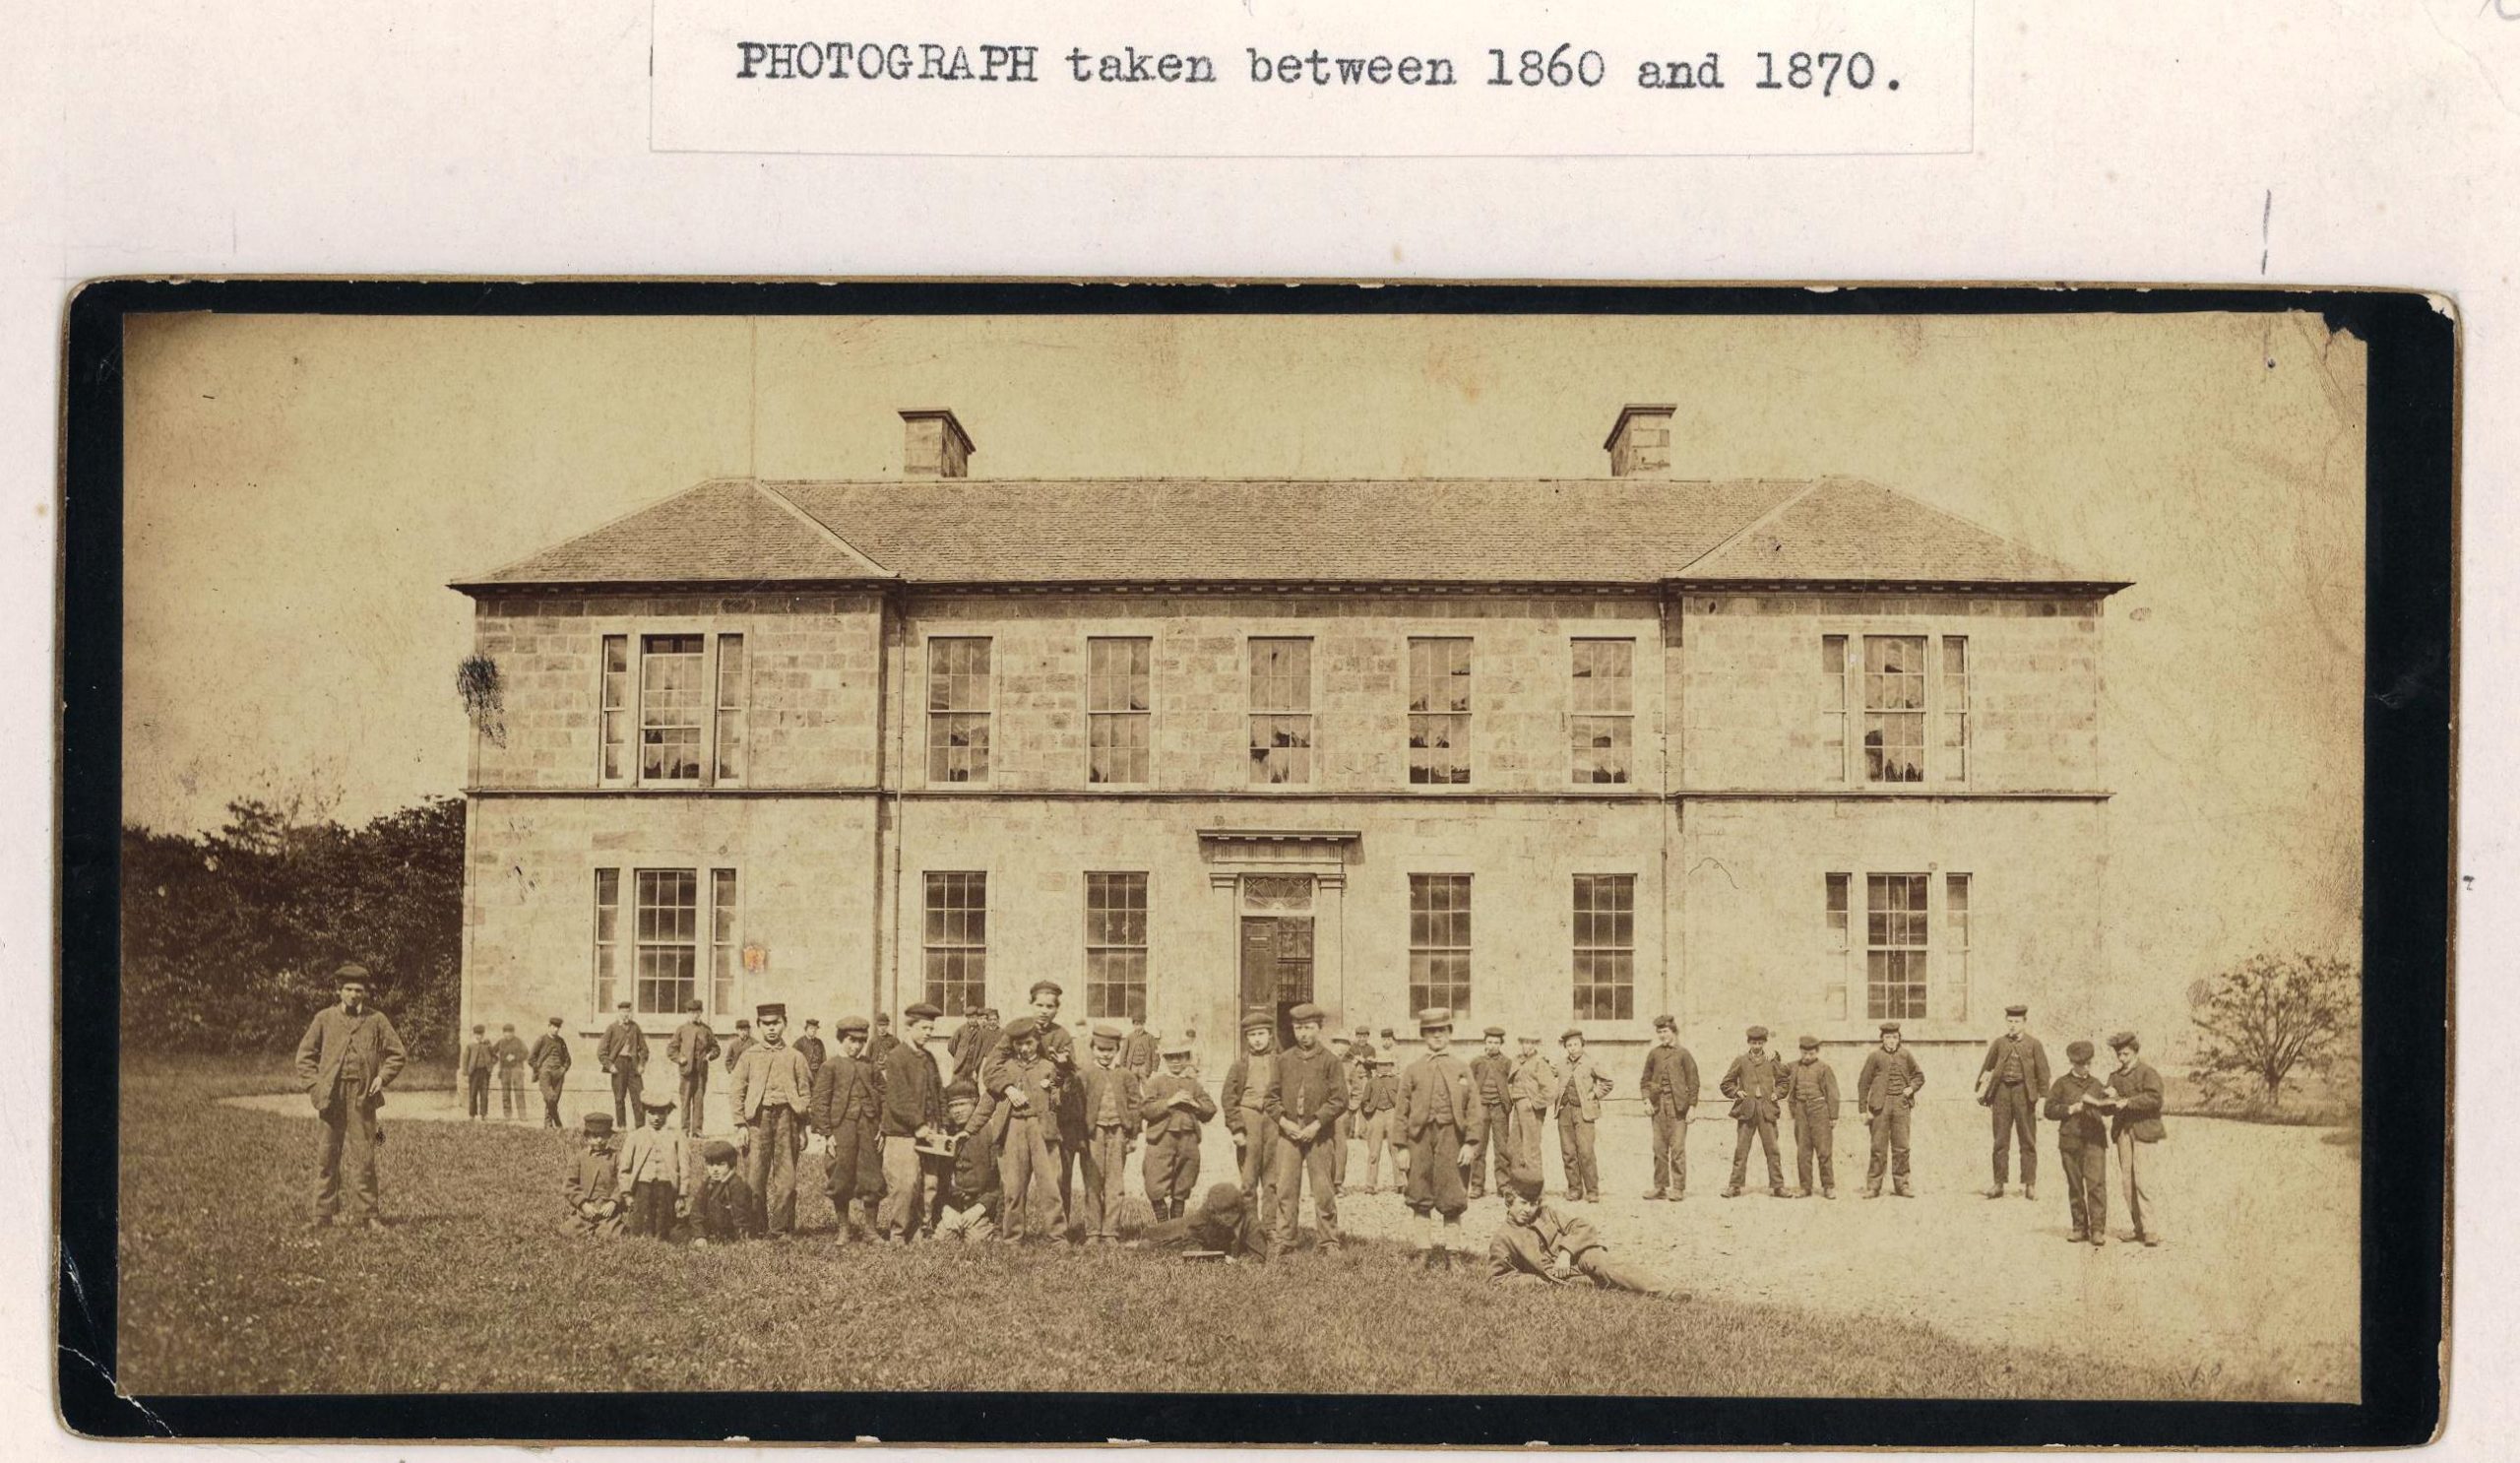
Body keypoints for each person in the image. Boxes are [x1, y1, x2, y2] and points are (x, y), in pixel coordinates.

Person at [291, 964, 408, 1230]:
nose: (354, 994)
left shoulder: (376, 1020)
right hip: (331, 1097)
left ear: (365, 992)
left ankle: (369, 1216)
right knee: (327, 1155)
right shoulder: (324, 1018)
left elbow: (397, 1054)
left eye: (359, 990)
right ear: (339, 991)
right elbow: (305, 1056)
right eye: (349, 989)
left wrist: (382, 1077)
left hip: (362, 1096)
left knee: (365, 1156)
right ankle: (322, 1215)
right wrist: (314, 1086)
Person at [1487, 1175, 1687, 1299]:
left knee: (1605, 1265)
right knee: (1602, 1285)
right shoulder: (1504, 1237)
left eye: (1533, 1204)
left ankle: (1667, 1292)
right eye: (1522, 1203)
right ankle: (1638, 1289)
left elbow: (1583, 1226)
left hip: (1578, 1256)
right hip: (1556, 1277)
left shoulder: (1546, 1212)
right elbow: (1498, 1279)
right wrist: (1539, 1282)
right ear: (1509, 1200)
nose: (1529, 1210)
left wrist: (1566, 1253)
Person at [981, 981, 1082, 1214]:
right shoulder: (1016, 1031)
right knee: (1014, 1177)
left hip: (1053, 1116)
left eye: (1049, 1006)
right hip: (1020, 1113)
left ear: (1057, 1009)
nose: (1043, 1011)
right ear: (1031, 1005)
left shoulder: (1061, 1036)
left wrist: (1065, 1068)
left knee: (1058, 1177)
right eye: (1039, 1005)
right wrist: (1007, 1088)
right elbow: (991, 1068)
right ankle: (1005, 1229)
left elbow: (1071, 1080)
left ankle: (1059, 1230)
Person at [1397, 1005, 1484, 1268]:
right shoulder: (1413, 1069)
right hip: (1419, 1139)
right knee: (1419, 1194)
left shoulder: (1461, 1068)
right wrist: (1401, 1147)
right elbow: (1401, 1110)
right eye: (1432, 1031)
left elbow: (1473, 1108)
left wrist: (1470, 1143)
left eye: (1442, 1031)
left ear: (1450, 1033)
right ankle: (1423, 1252)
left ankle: (1453, 1254)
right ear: (1424, 1035)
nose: (1437, 1036)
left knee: (1452, 1195)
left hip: (1452, 1138)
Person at [1265, 1001, 1349, 1254]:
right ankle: (1285, 1239)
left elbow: (1340, 1099)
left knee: (1323, 1190)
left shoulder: (1330, 1061)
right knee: (1286, 1188)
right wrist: (1284, 1122)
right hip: (1288, 1133)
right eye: (1299, 1028)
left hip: (1319, 1134)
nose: (1304, 1034)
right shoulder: (1283, 1060)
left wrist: (1316, 1124)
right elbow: (1270, 1098)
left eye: (1309, 1028)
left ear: (1319, 1028)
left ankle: (1329, 1241)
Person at [729, 1001, 813, 1237]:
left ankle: (781, 1228)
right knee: (755, 1177)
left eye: (776, 1023)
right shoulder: (748, 1056)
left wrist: (802, 1128)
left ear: (784, 1024)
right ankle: (756, 1228)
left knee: (786, 1180)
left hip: (788, 1120)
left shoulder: (795, 1057)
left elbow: (806, 1093)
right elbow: (737, 1091)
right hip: (757, 1122)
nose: (771, 1029)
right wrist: (740, 1125)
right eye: (766, 1024)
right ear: (758, 1026)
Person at [984, 1016, 1065, 1242]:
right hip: (1014, 1127)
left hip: (1042, 1128)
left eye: (1029, 1042)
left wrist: (1057, 1086)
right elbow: (989, 1075)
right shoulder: (1006, 1068)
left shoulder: (1049, 1067)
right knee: (1013, 1185)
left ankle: (1057, 1236)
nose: (1025, 1048)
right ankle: (1012, 1236)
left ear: (1037, 1042)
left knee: (1050, 1184)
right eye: (1019, 1044)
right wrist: (1008, 1089)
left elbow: (1061, 1098)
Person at [809, 1013, 884, 1245]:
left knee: (871, 1174)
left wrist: (882, 1126)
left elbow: (884, 1095)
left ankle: (871, 1230)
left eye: (861, 1041)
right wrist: (827, 1134)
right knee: (840, 1174)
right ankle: (844, 1229)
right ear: (841, 1039)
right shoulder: (830, 1066)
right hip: (842, 1128)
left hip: (868, 1126)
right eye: (852, 1040)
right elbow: (820, 1101)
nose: (857, 1046)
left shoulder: (869, 1066)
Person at [876, 1001, 948, 1244]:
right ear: (911, 1027)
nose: (929, 1033)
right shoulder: (896, 1057)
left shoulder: (928, 1058)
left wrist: (942, 1123)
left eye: (931, 1028)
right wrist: (918, 1124)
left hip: (930, 1133)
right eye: (924, 1028)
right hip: (903, 1134)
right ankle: (898, 1234)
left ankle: (919, 1231)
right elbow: (898, 1098)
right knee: (905, 1186)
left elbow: (939, 1093)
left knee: (929, 1184)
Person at [1074, 1023, 1145, 1245]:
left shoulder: (1125, 1075)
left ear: (1117, 1050)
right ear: (1093, 1048)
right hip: (1093, 1135)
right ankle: (1093, 1231)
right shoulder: (1084, 1074)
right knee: (1093, 1182)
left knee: (1114, 1184)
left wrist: (1133, 1135)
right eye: (1100, 1050)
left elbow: (1135, 1105)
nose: (1105, 1055)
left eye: (1110, 1050)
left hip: (1118, 1134)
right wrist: (1080, 1137)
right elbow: (1076, 1106)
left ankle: (1111, 1232)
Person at [1976, 1004, 2053, 1200]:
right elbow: (1987, 1067)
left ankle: (2030, 1184)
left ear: (2024, 1022)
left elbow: (2043, 1074)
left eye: (2016, 1022)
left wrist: (2042, 1099)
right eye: (2009, 1021)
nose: (2012, 1025)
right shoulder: (1999, 1043)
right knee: (2000, 1139)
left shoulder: (2034, 1044)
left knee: (2027, 1139)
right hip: (2001, 1093)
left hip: (2024, 1095)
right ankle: (1999, 1183)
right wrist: (1981, 1088)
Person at [2100, 1031, 2168, 1246]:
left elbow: (2155, 1099)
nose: (2122, 1058)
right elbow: (2107, 1111)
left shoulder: (2148, 1073)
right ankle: (2138, 1227)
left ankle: (2150, 1230)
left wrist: (2128, 1102)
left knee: (2143, 1180)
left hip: (2144, 1131)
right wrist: (2107, 1099)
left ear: (2135, 1052)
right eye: (2119, 1055)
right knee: (2127, 1182)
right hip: (2123, 1133)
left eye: (2125, 1054)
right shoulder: (2114, 1077)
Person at [2044, 1039, 2111, 1246]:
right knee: (2075, 1185)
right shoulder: (2061, 1084)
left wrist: (2111, 1099)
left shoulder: (2097, 1084)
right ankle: (2079, 1227)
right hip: (2070, 1141)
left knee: (2096, 1184)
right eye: (2082, 1064)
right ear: (2072, 1063)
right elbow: (2048, 1110)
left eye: (2089, 1063)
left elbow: (2107, 1108)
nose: (2086, 1068)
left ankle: (2097, 1230)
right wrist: (2069, 1110)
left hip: (2095, 1141)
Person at [1139, 1038, 1215, 1220]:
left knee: (1184, 1180)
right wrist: (1170, 1102)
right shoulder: (1156, 1082)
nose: (1175, 1062)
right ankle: (1163, 1225)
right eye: (1171, 1057)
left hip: (1188, 1139)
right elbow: (1146, 1109)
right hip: (1161, 1138)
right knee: (1154, 1179)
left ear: (1187, 1059)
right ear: (1164, 1059)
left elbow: (1210, 1109)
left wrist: (1195, 1104)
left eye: (1180, 1057)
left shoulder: (1193, 1084)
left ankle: (1177, 1227)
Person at [1220, 1006, 1284, 1218]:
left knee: (1273, 1178)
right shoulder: (1239, 1065)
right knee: (1248, 1179)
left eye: (1261, 1034)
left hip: (1274, 1121)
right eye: (1252, 1035)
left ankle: (1270, 1226)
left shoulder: (1280, 1062)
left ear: (1270, 1035)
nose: (1257, 1039)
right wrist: (1236, 1129)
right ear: (1247, 1038)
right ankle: (1250, 1226)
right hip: (1249, 1120)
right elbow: (1228, 1098)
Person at [1857, 1022, 1925, 1198]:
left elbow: (1919, 1076)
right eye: (1887, 1037)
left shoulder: (1905, 1055)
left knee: (1902, 1147)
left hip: (1901, 1105)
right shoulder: (1875, 1057)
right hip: (1880, 1106)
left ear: (1899, 1038)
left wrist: (1911, 1088)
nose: (1891, 1041)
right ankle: (1873, 1186)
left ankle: (1902, 1185)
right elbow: (1863, 1083)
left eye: (1894, 1037)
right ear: (1882, 1038)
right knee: (1878, 1147)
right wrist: (1863, 1110)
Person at [1720, 1026, 1787, 1198]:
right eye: (1753, 1043)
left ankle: (1778, 1186)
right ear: (1748, 1042)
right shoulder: (1741, 1060)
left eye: (1760, 1043)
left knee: (1772, 1149)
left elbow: (1783, 1082)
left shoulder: (1772, 1060)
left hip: (1767, 1109)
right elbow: (1726, 1083)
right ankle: (1734, 1186)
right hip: (1747, 1110)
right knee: (1741, 1150)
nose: (1756, 1046)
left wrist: (1776, 1094)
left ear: (1764, 1043)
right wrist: (1736, 1092)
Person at [931, 1081, 1002, 1243]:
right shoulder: (945, 1135)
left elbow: (997, 1184)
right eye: (952, 1106)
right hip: (952, 1207)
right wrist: (946, 1210)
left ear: (975, 1102)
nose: (957, 1110)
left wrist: (978, 1210)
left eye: (962, 1104)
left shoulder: (989, 1134)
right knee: (943, 1238)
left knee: (975, 1239)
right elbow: (938, 1182)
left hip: (979, 1206)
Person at [1639, 1015, 1699, 1200]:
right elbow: (1645, 1081)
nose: (1662, 1035)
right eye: (1659, 1032)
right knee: (1659, 1148)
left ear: (1673, 1032)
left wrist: (1692, 1107)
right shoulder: (1654, 1054)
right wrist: (1646, 1100)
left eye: (1665, 1031)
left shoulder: (1684, 1054)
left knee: (1678, 1148)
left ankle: (1678, 1188)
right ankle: (1660, 1187)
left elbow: (1694, 1082)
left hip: (1678, 1107)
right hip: (1658, 1108)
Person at [1553, 1027, 1614, 1203]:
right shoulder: (1560, 1064)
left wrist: (1595, 1093)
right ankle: (1574, 1189)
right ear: (1566, 1047)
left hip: (1584, 1112)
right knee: (1568, 1152)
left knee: (1586, 1152)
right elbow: (1547, 1073)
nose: (1572, 1048)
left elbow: (1608, 1082)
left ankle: (1592, 1190)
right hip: (1564, 1111)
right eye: (1569, 1045)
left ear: (1582, 1044)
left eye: (1575, 1044)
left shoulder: (1591, 1062)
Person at [618, 1095, 689, 1240]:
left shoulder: (676, 1136)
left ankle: (661, 1234)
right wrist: (626, 1194)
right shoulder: (635, 1136)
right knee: (641, 1223)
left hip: (666, 1186)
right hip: (642, 1185)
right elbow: (624, 1168)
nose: (656, 1118)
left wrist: (682, 1194)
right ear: (645, 1112)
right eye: (652, 1113)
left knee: (665, 1224)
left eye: (661, 1113)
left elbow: (684, 1166)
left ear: (668, 1113)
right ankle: (644, 1234)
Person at [1138, 1180, 1267, 1259]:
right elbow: (1192, 1229)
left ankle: (1150, 1245)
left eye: (1221, 1215)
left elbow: (1258, 1258)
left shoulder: (1252, 1225)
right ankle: (1147, 1239)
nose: (1219, 1218)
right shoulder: (1210, 1211)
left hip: (1210, 1239)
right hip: (1199, 1231)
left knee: (1158, 1245)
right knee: (1154, 1233)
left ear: (1234, 1211)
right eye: (1216, 1214)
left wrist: (1235, 1262)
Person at [1784, 1035, 1842, 1199]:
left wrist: (1833, 1115)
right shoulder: (1794, 1067)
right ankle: (1805, 1186)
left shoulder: (1824, 1068)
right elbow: (1777, 1071)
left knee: (1824, 1150)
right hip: (1801, 1111)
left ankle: (1828, 1186)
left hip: (1820, 1110)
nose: (1807, 1057)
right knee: (1803, 1150)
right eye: (1804, 1053)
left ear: (1817, 1052)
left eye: (1811, 1053)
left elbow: (1833, 1093)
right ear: (1800, 1051)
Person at [1467, 1026, 1515, 1200]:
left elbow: (1516, 1082)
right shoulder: (1476, 1062)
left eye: (1496, 1042)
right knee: (1478, 1148)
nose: (1493, 1045)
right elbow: (1467, 1085)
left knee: (1502, 1148)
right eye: (1489, 1042)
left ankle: (1504, 1185)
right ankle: (1477, 1186)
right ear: (1484, 1043)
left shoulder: (1507, 1063)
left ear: (1501, 1044)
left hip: (1500, 1109)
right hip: (1481, 1109)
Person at [561, 1113, 626, 1239]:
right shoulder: (579, 1158)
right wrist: (583, 1204)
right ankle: (587, 1226)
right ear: (587, 1137)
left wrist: (614, 1201)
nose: (600, 1140)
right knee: (568, 1232)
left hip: (608, 1208)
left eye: (604, 1136)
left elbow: (624, 1181)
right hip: (587, 1208)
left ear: (610, 1136)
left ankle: (605, 1227)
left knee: (610, 1235)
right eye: (595, 1136)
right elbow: (569, 1185)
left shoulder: (617, 1157)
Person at [1507, 1033, 1557, 1183]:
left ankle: (1536, 1189)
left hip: (1531, 1109)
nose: (1527, 1046)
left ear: (1535, 1045)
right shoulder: (1517, 1061)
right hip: (1517, 1107)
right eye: (1524, 1042)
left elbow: (1551, 1090)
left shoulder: (1540, 1063)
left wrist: (1534, 1103)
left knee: (1531, 1150)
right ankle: (1519, 1187)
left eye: (1530, 1043)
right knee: (1515, 1147)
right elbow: (1510, 1082)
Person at [665, 998, 719, 1137]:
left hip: (701, 1072)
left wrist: (710, 1055)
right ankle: (684, 1130)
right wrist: (680, 1058)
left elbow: (715, 1048)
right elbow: (671, 1049)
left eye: (697, 1012)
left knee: (699, 1101)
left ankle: (697, 1131)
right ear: (688, 1013)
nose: (695, 1015)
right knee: (685, 1101)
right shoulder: (682, 1030)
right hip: (686, 1072)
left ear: (701, 1013)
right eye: (692, 1012)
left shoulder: (706, 1030)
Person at [689, 1138, 757, 1246]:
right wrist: (699, 1236)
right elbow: (697, 1212)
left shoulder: (737, 1186)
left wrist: (739, 1240)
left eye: (721, 1164)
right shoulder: (708, 1183)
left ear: (731, 1165)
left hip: (729, 1236)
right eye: (711, 1165)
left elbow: (742, 1219)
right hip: (711, 1234)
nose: (715, 1169)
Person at [597, 999, 649, 1130]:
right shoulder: (612, 1028)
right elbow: (601, 1051)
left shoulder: (635, 1027)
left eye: (628, 1011)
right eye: (623, 1011)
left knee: (638, 1097)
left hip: (633, 1065)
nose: (625, 1014)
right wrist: (610, 1065)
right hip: (618, 1065)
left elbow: (644, 1049)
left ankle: (640, 1127)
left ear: (630, 1013)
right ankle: (621, 1126)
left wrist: (642, 1064)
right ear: (618, 1012)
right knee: (619, 1098)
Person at [1356, 1054, 1401, 1192]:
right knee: (1374, 1151)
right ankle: (1371, 1184)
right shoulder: (1371, 1082)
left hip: (1392, 1113)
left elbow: (1405, 1099)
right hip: (1376, 1114)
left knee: (1396, 1149)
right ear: (1376, 1067)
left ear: (1391, 1066)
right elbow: (1364, 1101)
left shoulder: (1397, 1081)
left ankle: (1400, 1183)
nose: (1383, 1067)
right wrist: (1369, 1114)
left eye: (1387, 1064)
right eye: (1380, 1065)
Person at [528, 1016, 571, 1129]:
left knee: (554, 1099)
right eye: (554, 1027)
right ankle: (558, 1122)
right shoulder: (541, 1040)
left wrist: (563, 1069)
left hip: (558, 1073)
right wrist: (539, 1069)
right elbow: (531, 1058)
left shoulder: (561, 1041)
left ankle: (548, 1125)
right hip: (545, 1073)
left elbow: (568, 1059)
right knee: (550, 1097)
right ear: (549, 1027)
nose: (556, 1029)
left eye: (558, 1028)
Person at [950, 1003, 999, 1086]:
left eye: (974, 1018)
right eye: (970, 1018)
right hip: (961, 1062)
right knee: (956, 1084)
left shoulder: (981, 1030)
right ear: (967, 1018)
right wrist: (959, 1055)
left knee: (972, 1084)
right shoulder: (961, 1029)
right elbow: (951, 1045)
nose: (972, 1020)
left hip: (973, 1061)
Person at [492, 1022, 530, 1120]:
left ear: (513, 1033)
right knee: (505, 1092)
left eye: (510, 1032)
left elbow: (526, 1053)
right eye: (506, 1032)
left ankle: (522, 1115)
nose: (508, 1034)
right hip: (504, 1069)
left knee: (519, 1091)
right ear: (503, 1033)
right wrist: (499, 1059)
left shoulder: (518, 1041)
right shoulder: (501, 1042)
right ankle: (507, 1115)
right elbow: (492, 1052)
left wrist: (515, 1057)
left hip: (517, 1068)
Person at [460, 1023, 496, 1119]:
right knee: (473, 1093)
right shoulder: (470, 1045)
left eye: (481, 1034)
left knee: (484, 1094)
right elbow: (465, 1060)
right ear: (474, 1034)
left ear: (483, 1034)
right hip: (474, 1073)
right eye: (477, 1034)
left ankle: (484, 1114)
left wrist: (490, 1064)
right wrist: (465, 1073)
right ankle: (472, 1114)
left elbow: (495, 1057)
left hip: (485, 1073)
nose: (479, 1036)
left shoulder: (487, 1045)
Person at [1120, 1004, 1159, 1081]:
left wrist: (1154, 1068)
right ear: (1133, 1025)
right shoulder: (1129, 1037)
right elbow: (1124, 1053)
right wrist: (1123, 1067)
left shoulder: (1150, 1037)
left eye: (1140, 1024)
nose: (1138, 1026)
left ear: (1144, 1024)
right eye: (1136, 1024)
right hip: (1132, 1066)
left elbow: (1155, 1054)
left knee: (1146, 1087)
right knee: (1132, 1086)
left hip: (1144, 1066)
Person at [795, 1019, 828, 1087]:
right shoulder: (799, 1042)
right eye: (811, 1028)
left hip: (818, 1073)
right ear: (806, 1029)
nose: (813, 1030)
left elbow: (824, 1059)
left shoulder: (819, 1042)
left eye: (815, 1029)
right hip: (805, 1074)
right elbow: (794, 1059)